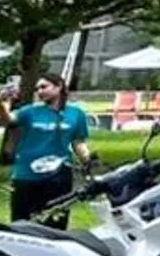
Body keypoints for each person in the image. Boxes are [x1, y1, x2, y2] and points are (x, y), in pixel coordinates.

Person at [5, 74, 95, 222]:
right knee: (21, 220)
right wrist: (0, 102)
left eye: (44, 87)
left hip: (59, 175)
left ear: (59, 87)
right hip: (26, 174)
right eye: (37, 88)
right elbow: (8, 119)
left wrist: (87, 158)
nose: (40, 91)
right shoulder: (29, 112)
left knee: (56, 220)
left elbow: (78, 142)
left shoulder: (76, 114)